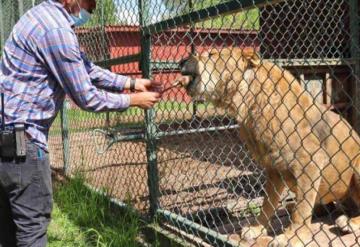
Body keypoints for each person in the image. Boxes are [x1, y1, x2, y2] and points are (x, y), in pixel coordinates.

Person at [0, 0, 162, 246]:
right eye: (91, 3)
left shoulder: (39, 16)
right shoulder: (57, 31)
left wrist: (130, 83)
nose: (93, 9)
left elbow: (85, 69)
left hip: (6, 142)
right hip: (24, 146)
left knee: (9, 228)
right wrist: (133, 100)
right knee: (32, 229)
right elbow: (86, 96)